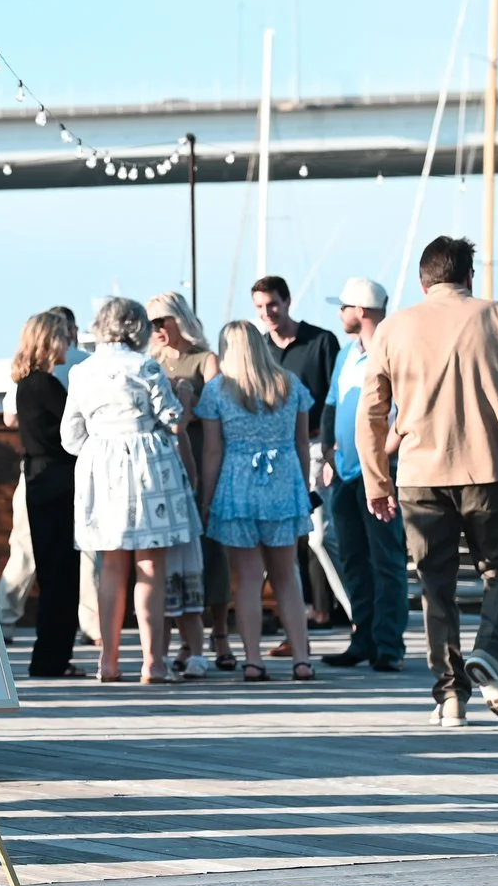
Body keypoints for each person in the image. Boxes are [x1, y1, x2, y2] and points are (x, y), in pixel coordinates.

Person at [358, 236, 498, 728]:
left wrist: (377, 480)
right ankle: (488, 652)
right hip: (490, 471)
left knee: (435, 585)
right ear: (469, 276)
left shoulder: (394, 328)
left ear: (424, 282)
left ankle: (450, 697)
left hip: (419, 477)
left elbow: (372, 413)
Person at [62, 297, 194, 683]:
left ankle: (109, 660)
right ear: (136, 327)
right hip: (147, 464)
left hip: (101, 464)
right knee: (150, 566)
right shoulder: (146, 365)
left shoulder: (82, 372)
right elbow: (171, 417)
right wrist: (181, 399)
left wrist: (99, 444)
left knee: (112, 566)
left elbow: (70, 435)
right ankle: (153, 662)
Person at [197, 322, 318, 680]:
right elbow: (301, 444)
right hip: (282, 483)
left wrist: (207, 499)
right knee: (287, 576)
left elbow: (212, 451)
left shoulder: (217, 391)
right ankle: (301, 659)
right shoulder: (289, 384)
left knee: (248, 580)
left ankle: (253, 661)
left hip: (237, 486)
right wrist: (301, 487)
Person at [318, 279, 409, 672]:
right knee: (353, 556)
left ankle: (388, 644)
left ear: (361, 311)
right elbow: (331, 405)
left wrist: (383, 454)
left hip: (382, 470)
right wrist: (326, 451)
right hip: (345, 471)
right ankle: (363, 636)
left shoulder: (394, 352)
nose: (339, 314)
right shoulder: (345, 355)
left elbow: (404, 412)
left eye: (343, 307)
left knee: (385, 558)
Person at [251, 275, 342, 628]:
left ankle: (335, 610)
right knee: (292, 536)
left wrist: (332, 449)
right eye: (259, 307)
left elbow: (333, 398)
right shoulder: (260, 349)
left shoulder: (320, 342)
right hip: (279, 453)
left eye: (272, 304)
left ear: (287, 301)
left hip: (318, 447)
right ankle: (305, 610)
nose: (267, 312)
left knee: (321, 534)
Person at [146, 292, 226, 674]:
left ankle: (221, 634)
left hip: (198, 451)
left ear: (179, 319)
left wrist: (184, 407)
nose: (157, 329)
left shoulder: (204, 359)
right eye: (151, 323)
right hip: (164, 463)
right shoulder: (149, 363)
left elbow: (215, 411)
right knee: (173, 559)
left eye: (163, 320)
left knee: (208, 552)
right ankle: (182, 641)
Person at [10, 311, 81, 677]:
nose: (68, 343)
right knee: (62, 577)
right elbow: (74, 428)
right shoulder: (46, 385)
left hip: (39, 479)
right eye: (63, 338)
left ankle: (49, 657)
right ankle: (52, 658)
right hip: (56, 481)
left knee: (52, 574)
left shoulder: (27, 383)